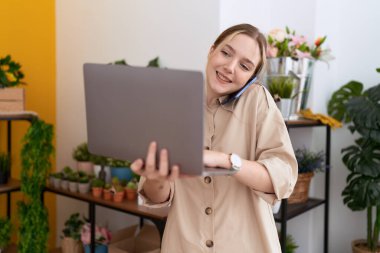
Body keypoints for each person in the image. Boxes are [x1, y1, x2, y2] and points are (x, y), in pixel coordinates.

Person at [131, 23, 298, 253]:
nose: (230, 67)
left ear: (251, 77)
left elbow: (284, 176)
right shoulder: (173, 106)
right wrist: (156, 179)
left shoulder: (258, 101)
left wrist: (227, 161)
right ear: (212, 51)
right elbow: (157, 198)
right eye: (226, 53)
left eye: (244, 65)